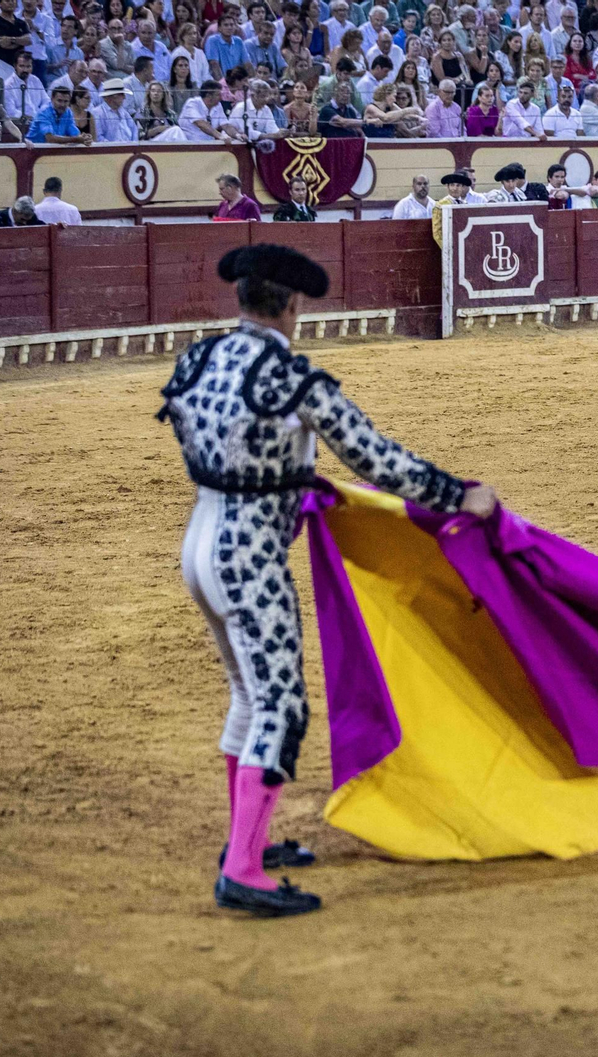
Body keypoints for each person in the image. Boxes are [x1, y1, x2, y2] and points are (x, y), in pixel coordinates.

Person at [159, 243, 496, 917]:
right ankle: (244, 869)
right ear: (290, 306)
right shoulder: (294, 380)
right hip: (249, 552)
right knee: (280, 705)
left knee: (248, 696)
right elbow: (376, 460)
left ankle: (247, 843)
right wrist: (457, 495)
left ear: (241, 299)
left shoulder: (196, 359)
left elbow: (205, 436)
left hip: (200, 540)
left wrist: (282, 474)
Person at [431, 171, 472, 244]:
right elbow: (437, 233)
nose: (455, 188)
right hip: (449, 244)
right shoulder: (440, 206)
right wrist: (448, 249)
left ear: (462, 187)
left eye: (458, 185)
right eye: (452, 185)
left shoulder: (465, 204)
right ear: (447, 187)